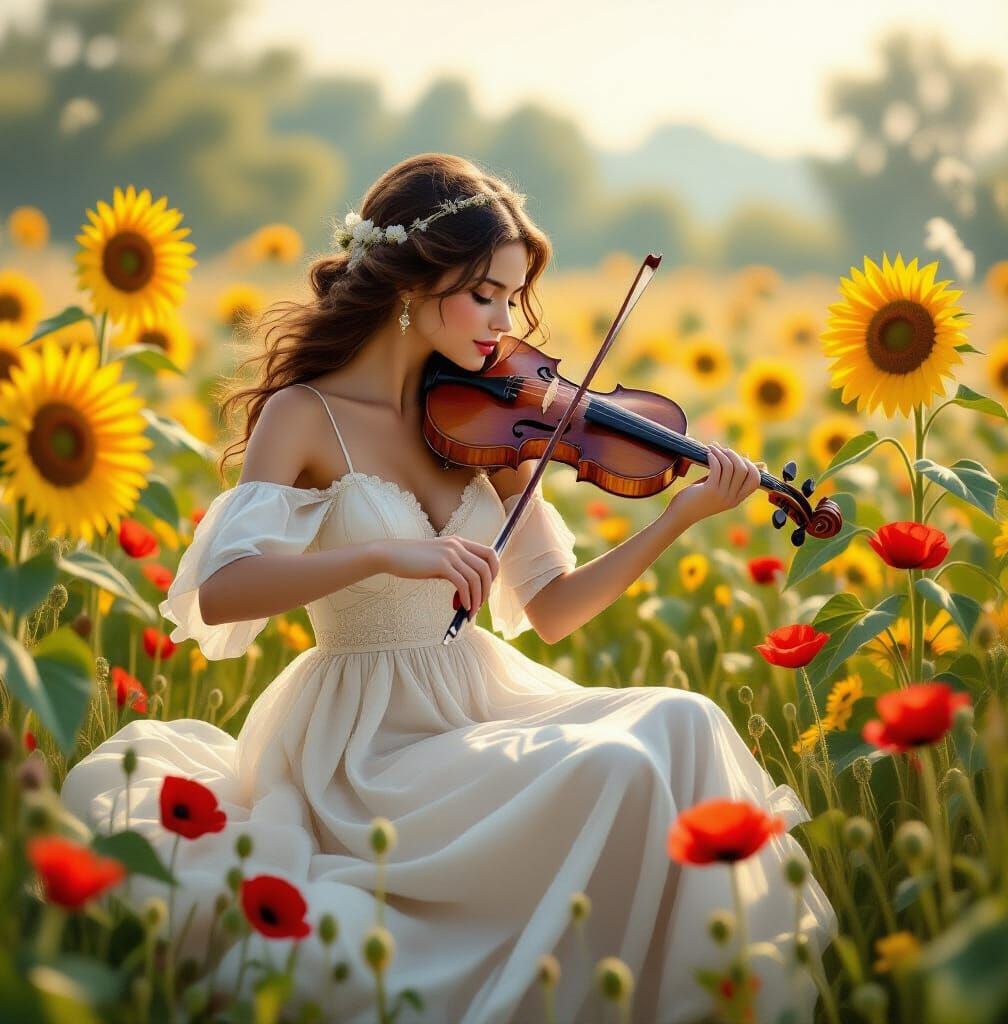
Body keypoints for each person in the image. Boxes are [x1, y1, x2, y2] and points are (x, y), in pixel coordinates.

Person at [61, 153, 837, 1023]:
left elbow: (552, 611)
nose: (505, 321)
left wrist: (677, 519)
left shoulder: (483, 419)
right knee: (617, 765)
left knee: (686, 720)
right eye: (485, 294)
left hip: (476, 700)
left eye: (512, 298)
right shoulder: (306, 416)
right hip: (366, 742)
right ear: (412, 281)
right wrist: (385, 557)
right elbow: (225, 592)